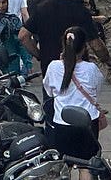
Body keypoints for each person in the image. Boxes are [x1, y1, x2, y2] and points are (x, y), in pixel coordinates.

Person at [20, 0, 111, 77]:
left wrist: (40, 55)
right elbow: (96, 45)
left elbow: (23, 36)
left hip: (50, 71)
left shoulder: (43, 8)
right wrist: (108, 61)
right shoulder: (82, 12)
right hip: (77, 71)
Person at [43, 27, 104, 180]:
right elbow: (96, 92)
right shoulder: (92, 69)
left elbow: (49, 92)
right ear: (84, 47)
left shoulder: (53, 66)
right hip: (87, 125)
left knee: (63, 167)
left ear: (64, 45)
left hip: (62, 125)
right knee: (86, 166)